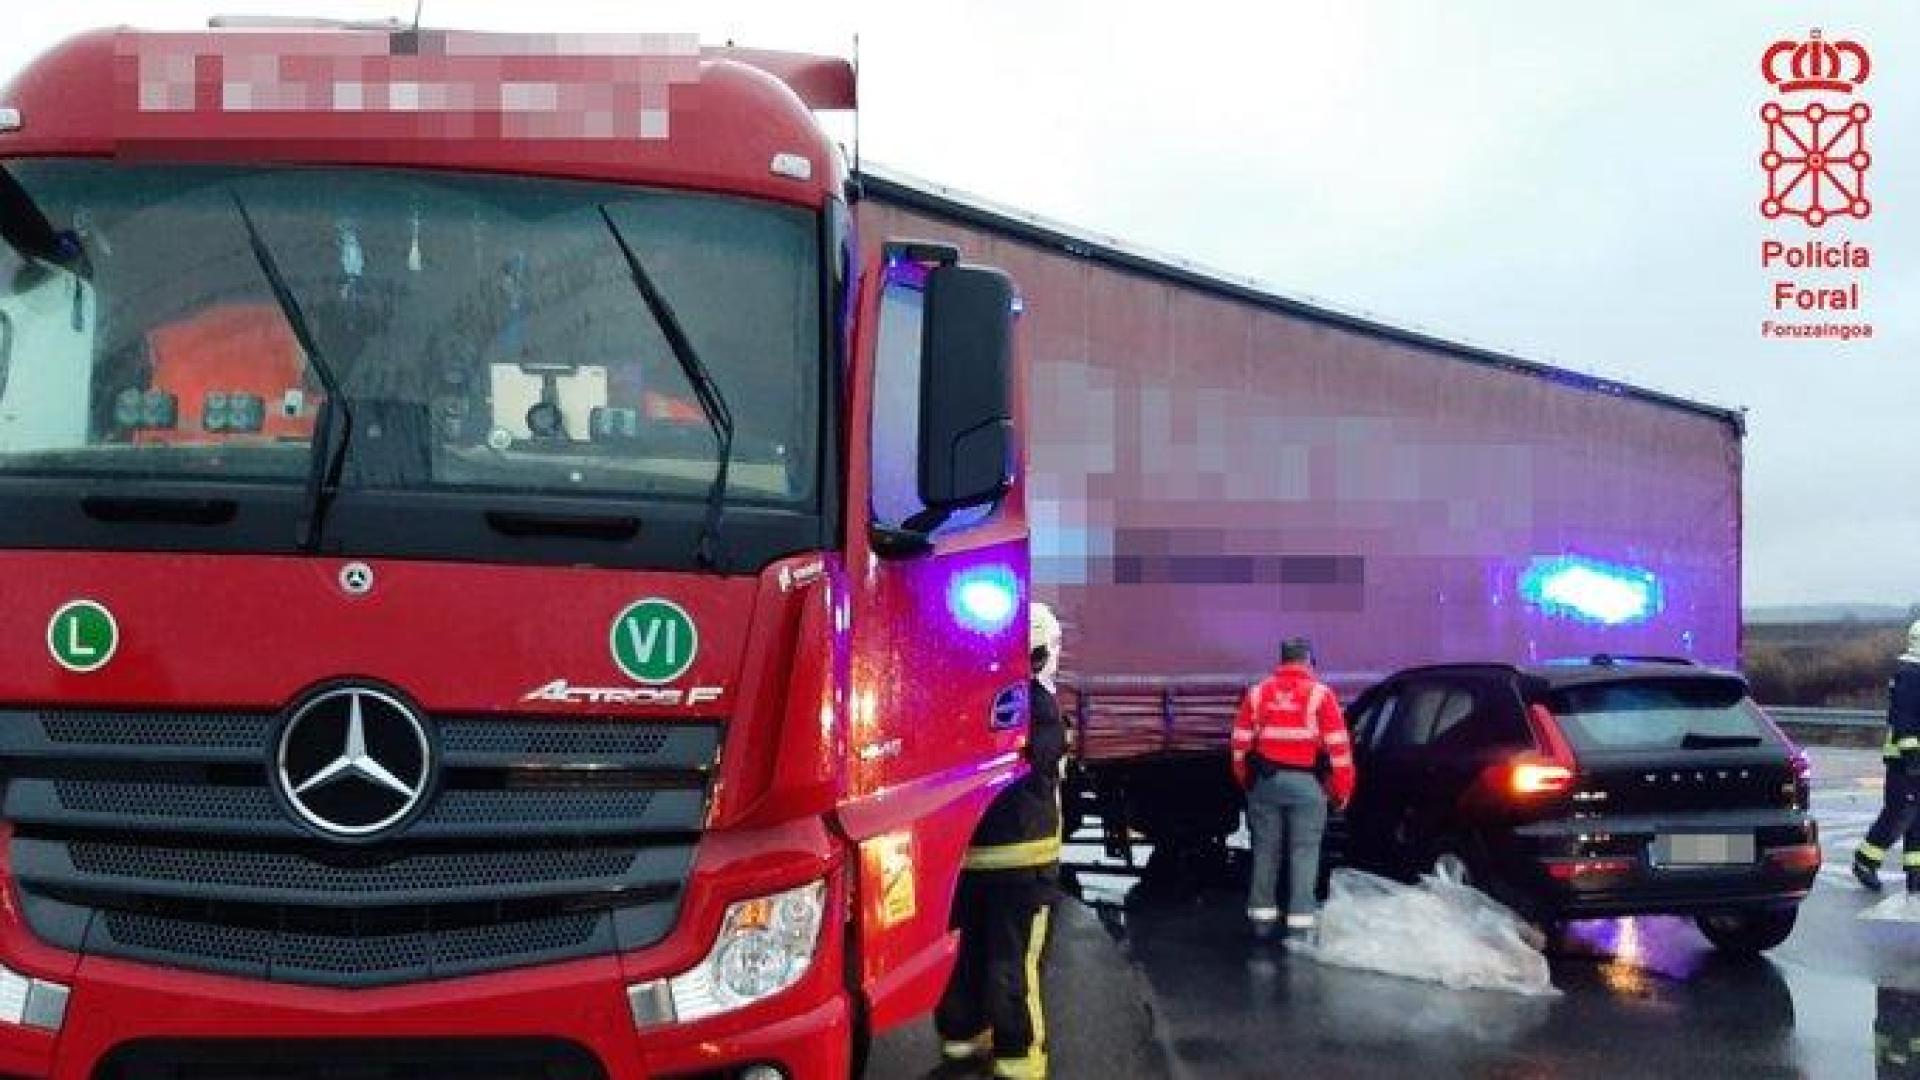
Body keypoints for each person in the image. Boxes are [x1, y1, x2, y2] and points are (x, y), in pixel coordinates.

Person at [935, 602, 1069, 1079]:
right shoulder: (1038, 701)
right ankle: (1020, 1058)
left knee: (968, 949)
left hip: (968, 857)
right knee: (1016, 960)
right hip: (1024, 859)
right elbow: (1046, 761)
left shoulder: (961, 693)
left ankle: (961, 1035)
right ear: (1037, 653)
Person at [1231, 637, 1356, 942]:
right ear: (1309, 661)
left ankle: (1261, 920)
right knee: (1304, 851)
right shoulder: (1321, 695)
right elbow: (1339, 749)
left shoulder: (1257, 693)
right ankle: (1299, 923)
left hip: (1265, 783)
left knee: (1265, 850)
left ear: (1282, 660)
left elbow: (1239, 743)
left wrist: (1246, 779)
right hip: (1307, 786)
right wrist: (1342, 791)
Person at [1855, 620, 1920, 891]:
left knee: (1917, 818)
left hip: (1912, 760)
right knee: (1899, 814)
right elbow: (1904, 720)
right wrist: (1912, 757)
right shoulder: (1911, 674)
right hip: (1906, 763)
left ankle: (1915, 873)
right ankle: (1865, 861)